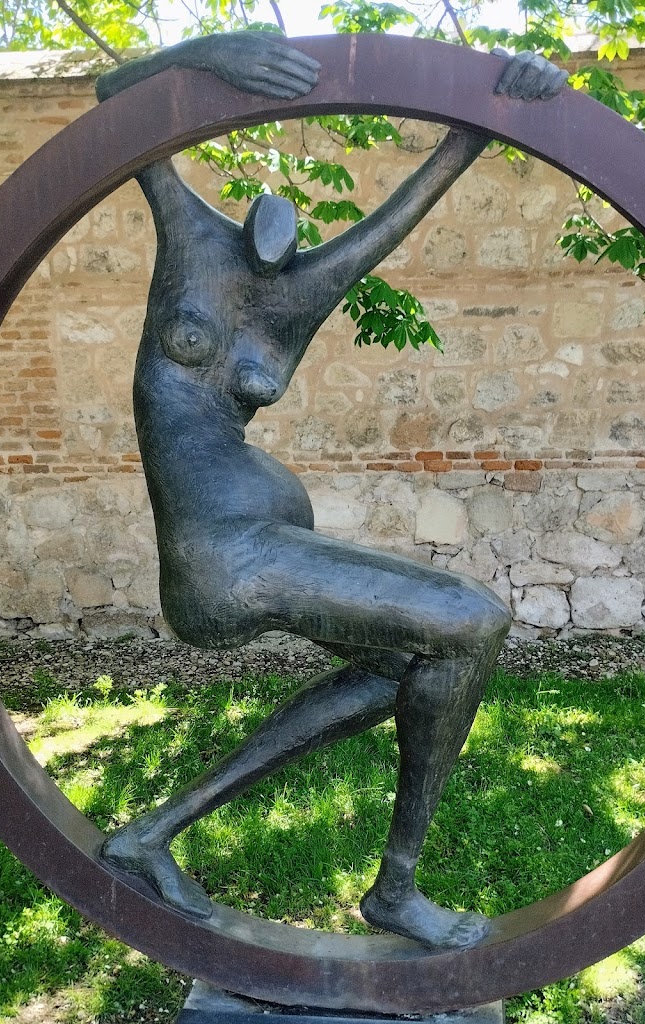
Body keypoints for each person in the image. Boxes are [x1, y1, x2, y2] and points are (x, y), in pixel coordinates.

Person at [95, 31, 566, 950]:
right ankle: (396, 891)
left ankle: (150, 835)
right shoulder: (191, 239)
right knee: (472, 620)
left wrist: (493, 114)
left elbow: (403, 213)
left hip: (266, 545)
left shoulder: (302, 291)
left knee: (407, 669)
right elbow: (117, 97)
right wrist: (219, 52)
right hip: (226, 557)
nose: (290, 225)